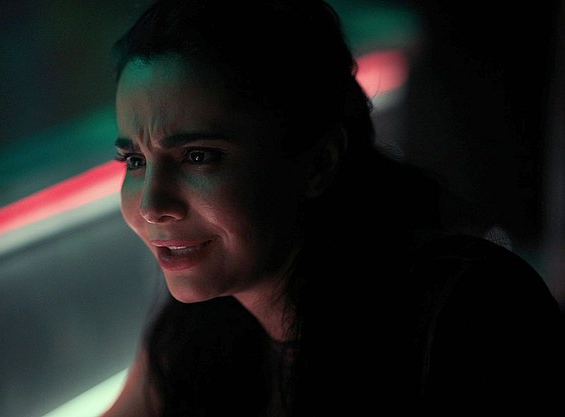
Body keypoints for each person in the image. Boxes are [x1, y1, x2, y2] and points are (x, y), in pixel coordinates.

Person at [101, 0, 565, 416]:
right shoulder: (196, 328)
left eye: (198, 156)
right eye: (135, 161)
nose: (152, 205)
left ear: (318, 163)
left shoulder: (469, 319)